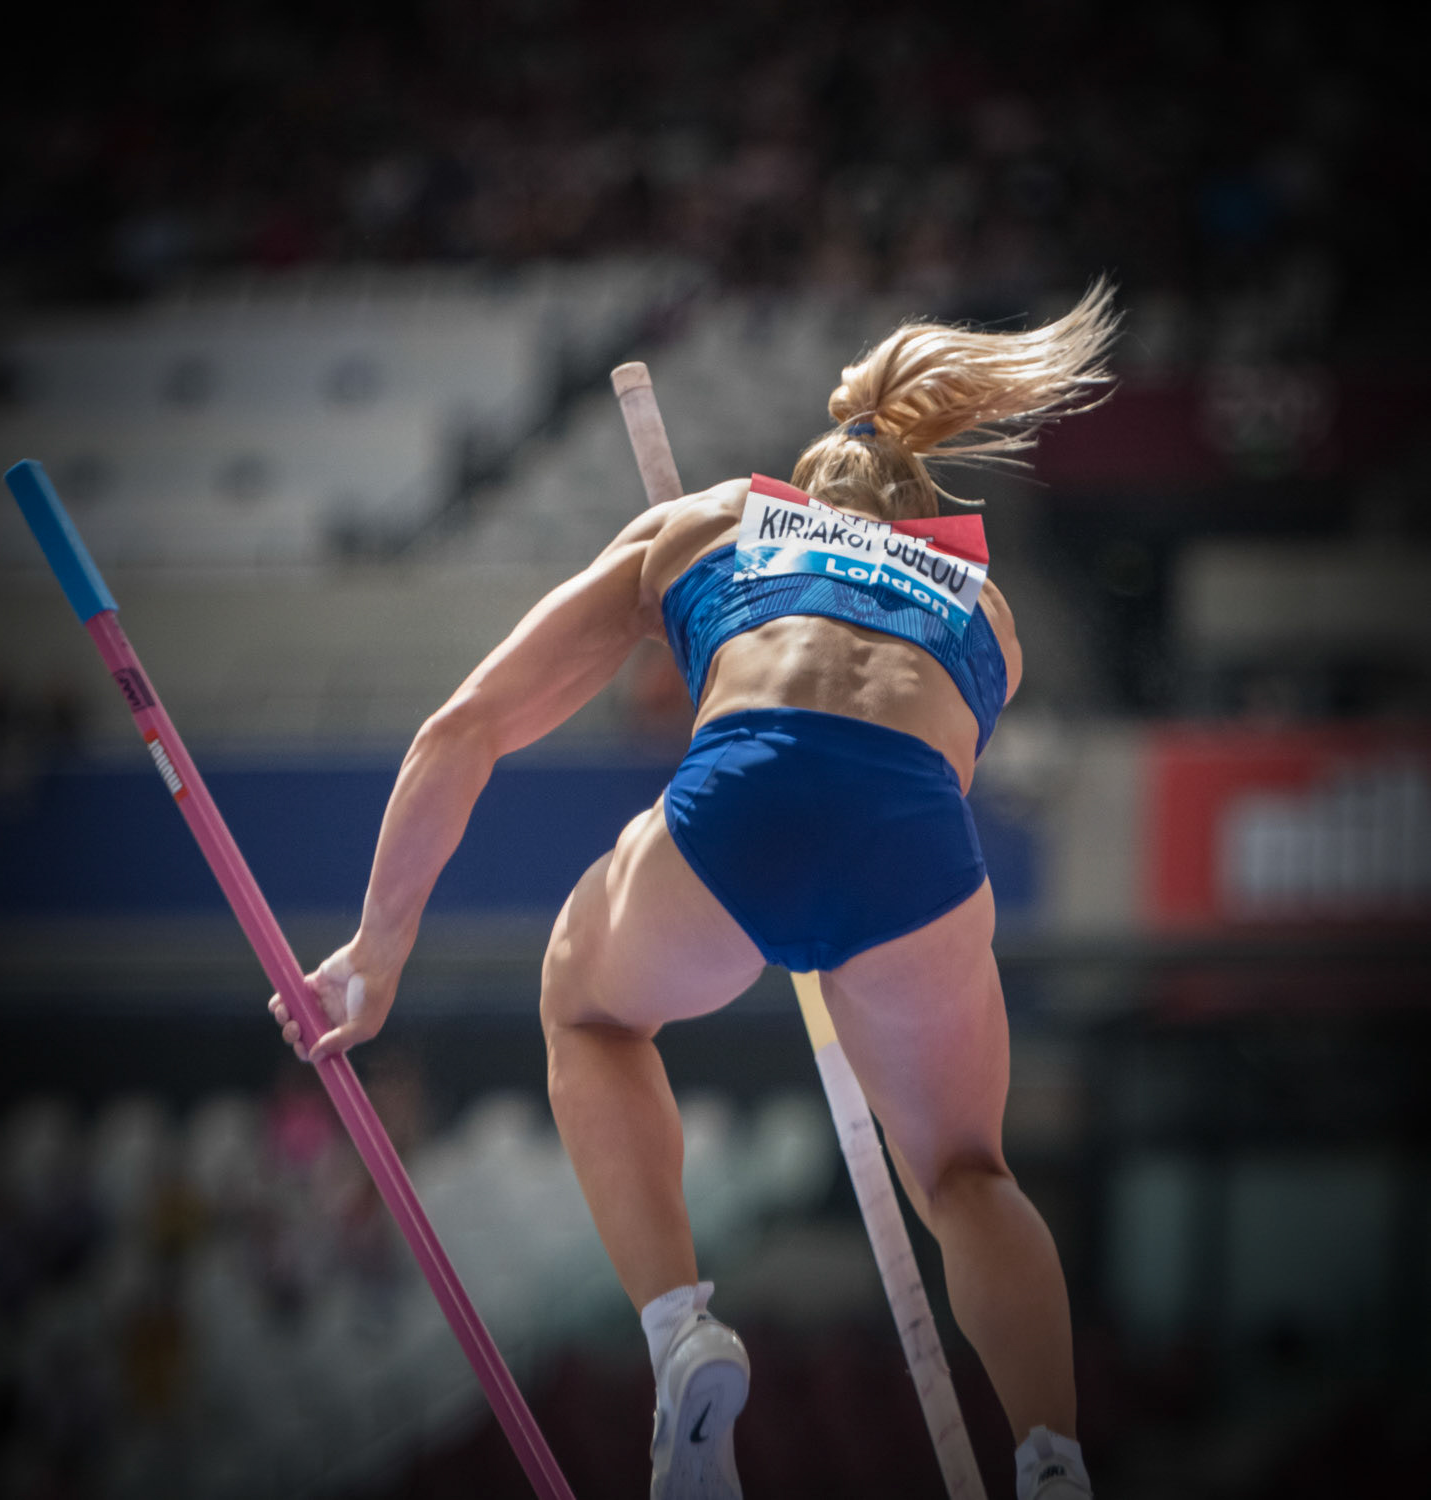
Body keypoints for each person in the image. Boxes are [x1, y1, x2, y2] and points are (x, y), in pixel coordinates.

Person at [270, 280, 1120, 1500]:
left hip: (741, 799)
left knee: (587, 1010)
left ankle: (683, 1339)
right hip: (918, 846)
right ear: (920, 512)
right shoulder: (988, 606)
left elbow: (465, 728)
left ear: (802, 476)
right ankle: (1052, 1457)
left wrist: (376, 949)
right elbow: (880, 731)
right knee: (966, 1177)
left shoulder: (707, 521)